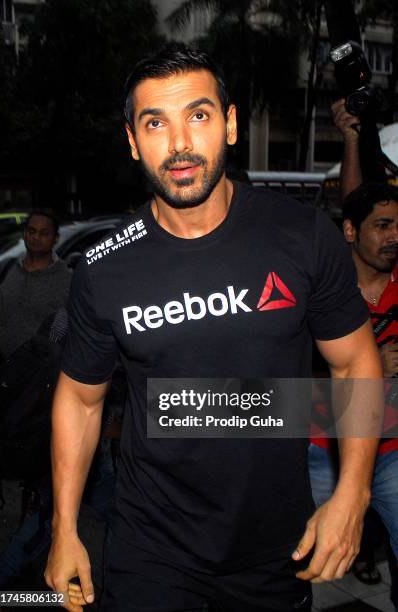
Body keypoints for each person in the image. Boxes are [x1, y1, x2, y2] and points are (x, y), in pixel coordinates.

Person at [44, 44, 383, 612]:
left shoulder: (302, 237)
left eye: (197, 115)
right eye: (155, 123)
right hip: (150, 549)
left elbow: (355, 362)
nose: (178, 144)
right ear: (133, 141)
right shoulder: (104, 268)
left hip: (274, 549)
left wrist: (353, 490)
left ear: (228, 125)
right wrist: (64, 529)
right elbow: (79, 400)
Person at [310, 98, 398, 610]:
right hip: (323, 446)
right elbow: (356, 204)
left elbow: (365, 209)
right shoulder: (333, 285)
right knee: (304, 557)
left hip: (390, 452)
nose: (393, 238)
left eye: (397, 227)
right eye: (382, 228)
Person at [0, 210, 72, 362]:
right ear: (24, 234)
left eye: (44, 233)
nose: (36, 237)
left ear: (56, 238)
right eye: (31, 231)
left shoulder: (67, 279)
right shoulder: (6, 268)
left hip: (40, 373)